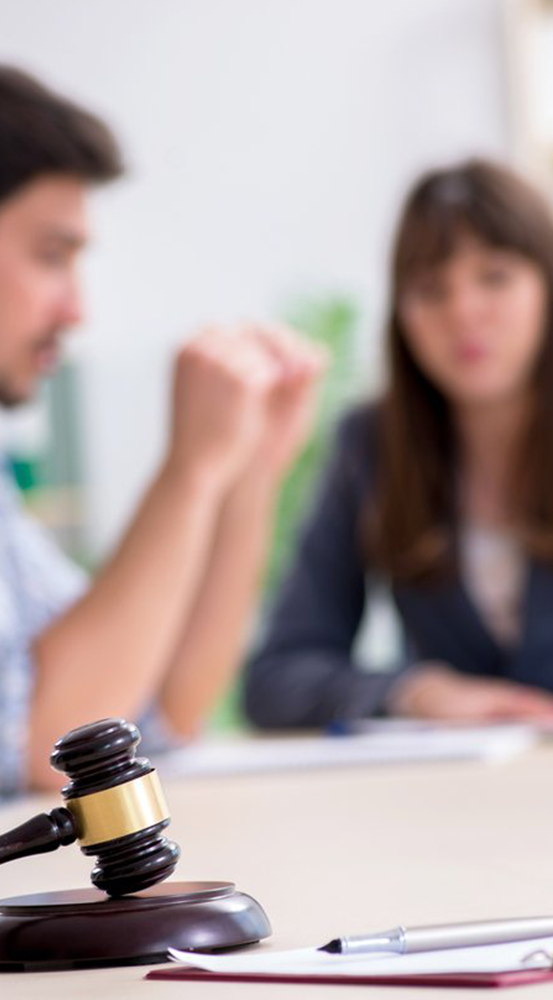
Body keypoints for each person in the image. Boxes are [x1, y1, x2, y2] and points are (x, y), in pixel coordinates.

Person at [0, 56, 324, 870]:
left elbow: (153, 708)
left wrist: (244, 474)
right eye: (51, 255)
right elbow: (48, 744)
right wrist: (186, 470)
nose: (77, 308)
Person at [244, 158, 553, 730]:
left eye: (495, 277)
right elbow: (275, 679)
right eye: (431, 289)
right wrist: (416, 690)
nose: (462, 313)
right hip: (450, 798)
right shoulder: (371, 447)